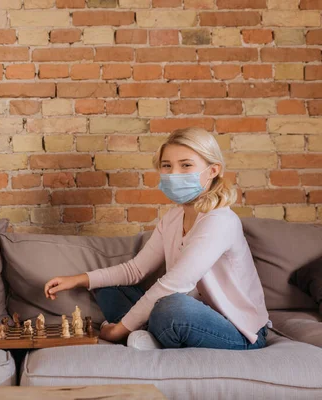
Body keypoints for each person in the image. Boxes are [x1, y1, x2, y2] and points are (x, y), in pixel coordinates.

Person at [44, 127, 269, 351]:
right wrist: (78, 279)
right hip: (187, 313)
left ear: (213, 171)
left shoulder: (220, 221)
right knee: (109, 287)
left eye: (186, 165)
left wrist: (118, 330)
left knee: (172, 306)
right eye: (167, 166)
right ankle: (148, 337)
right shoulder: (173, 217)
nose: (174, 174)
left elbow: (175, 284)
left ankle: (143, 335)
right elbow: (135, 270)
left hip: (237, 331)